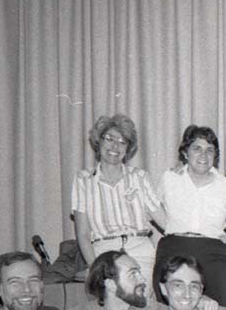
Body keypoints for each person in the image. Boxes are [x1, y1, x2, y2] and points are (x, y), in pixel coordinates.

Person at [71, 114, 166, 293]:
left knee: (141, 302)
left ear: (128, 148)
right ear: (98, 142)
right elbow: (83, 234)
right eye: (109, 139)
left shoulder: (140, 177)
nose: (115, 146)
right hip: (103, 252)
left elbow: (166, 222)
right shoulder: (83, 180)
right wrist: (94, 269)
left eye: (122, 142)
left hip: (141, 251)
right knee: (112, 306)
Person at [153, 124, 226, 310]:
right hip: (174, 247)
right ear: (185, 153)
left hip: (213, 251)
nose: (204, 155)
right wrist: (169, 226)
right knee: (167, 306)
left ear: (215, 156)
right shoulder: (170, 178)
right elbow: (153, 207)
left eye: (210, 150)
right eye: (197, 148)